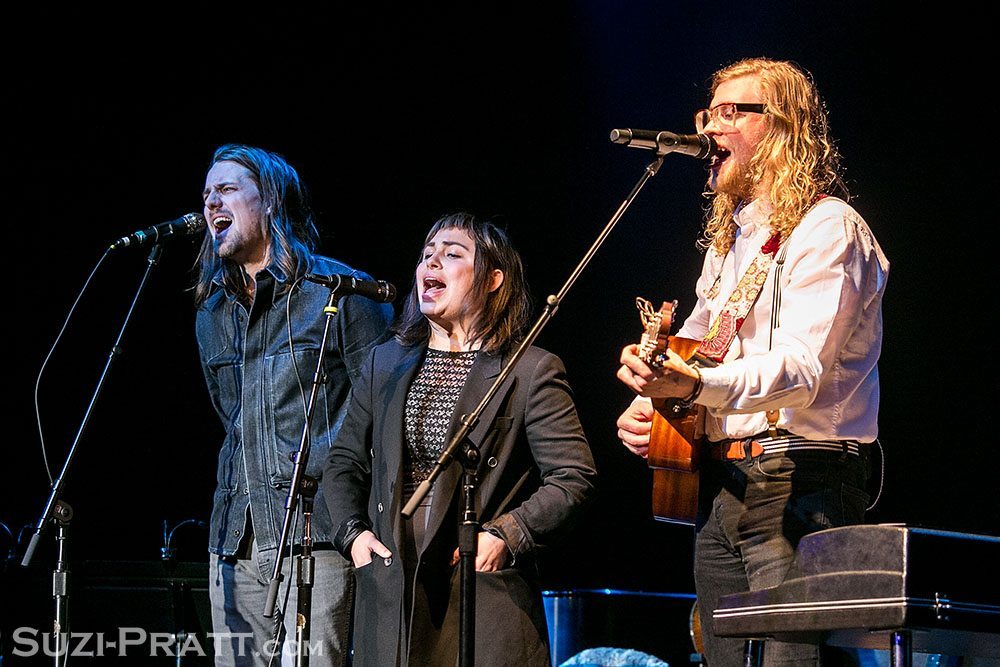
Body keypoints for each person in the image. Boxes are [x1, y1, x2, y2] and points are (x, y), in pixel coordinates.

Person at [615, 59, 889, 666]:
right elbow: (698, 338)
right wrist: (653, 396)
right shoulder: (734, 238)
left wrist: (694, 384)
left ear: (785, 127)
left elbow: (798, 370)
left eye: (732, 111)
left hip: (801, 478)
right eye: (708, 112)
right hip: (723, 481)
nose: (711, 127)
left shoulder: (827, 228)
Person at [322, 212, 597, 666]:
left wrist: (508, 534)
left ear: (492, 279)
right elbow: (344, 462)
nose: (432, 263)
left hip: (478, 591)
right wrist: (352, 536)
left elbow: (574, 478)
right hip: (391, 593)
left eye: (452, 255)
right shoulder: (384, 362)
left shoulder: (528, 369)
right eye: (427, 255)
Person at [194, 144, 394, 666]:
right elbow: (229, 415)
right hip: (234, 540)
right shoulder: (211, 312)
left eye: (228, 189)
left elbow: (382, 411)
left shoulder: (341, 292)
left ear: (272, 199)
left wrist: (356, 519)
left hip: (319, 535)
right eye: (207, 192)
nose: (212, 200)